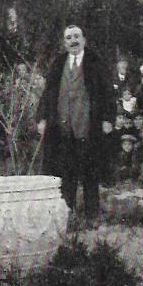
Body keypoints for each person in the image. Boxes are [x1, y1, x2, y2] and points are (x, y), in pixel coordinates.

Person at [37, 24, 115, 221]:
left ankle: (92, 215)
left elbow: (108, 93)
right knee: (66, 173)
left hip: (88, 127)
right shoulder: (58, 63)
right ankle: (67, 214)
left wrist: (108, 118)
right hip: (63, 128)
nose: (73, 41)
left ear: (84, 40)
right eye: (69, 38)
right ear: (64, 42)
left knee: (90, 174)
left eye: (76, 36)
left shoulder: (95, 63)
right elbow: (49, 93)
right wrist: (42, 118)